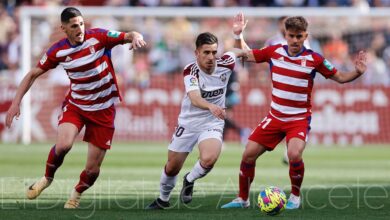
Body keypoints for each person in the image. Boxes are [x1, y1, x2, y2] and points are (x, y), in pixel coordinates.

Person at [221, 13, 367, 210]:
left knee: (294, 154)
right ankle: (243, 199)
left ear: (306, 36)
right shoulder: (274, 52)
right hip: (274, 117)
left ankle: (295, 197)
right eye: (292, 36)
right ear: (286, 35)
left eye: (299, 36)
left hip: (298, 119)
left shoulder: (314, 59)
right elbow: (245, 54)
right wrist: (238, 35)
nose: (295, 40)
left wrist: (357, 72)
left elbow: (340, 76)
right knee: (248, 155)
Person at [5, 7, 146, 209]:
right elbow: (32, 74)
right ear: (64, 28)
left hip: (103, 109)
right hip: (76, 105)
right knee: (63, 145)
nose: (79, 29)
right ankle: (47, 178)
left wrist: (136, 37)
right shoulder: (57, 50)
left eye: (81, 23)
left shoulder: (99, 36)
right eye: (74, 26)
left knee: (93, 170)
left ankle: (76, 193)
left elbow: (128, 35)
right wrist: (15, 103)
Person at [145, 32, 240, 210]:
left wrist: (238, 34)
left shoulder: (226, 64)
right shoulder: (191, 70)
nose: (211, 57)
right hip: (188, 123)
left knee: (209, 158)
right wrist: (212, 106)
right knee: (172, 167)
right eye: (206, 52)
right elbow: (195, 98)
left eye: (214, 52)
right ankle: (163, 199)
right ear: (197, 53)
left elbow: (240, 51)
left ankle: (189, 180)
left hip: (212, 123)